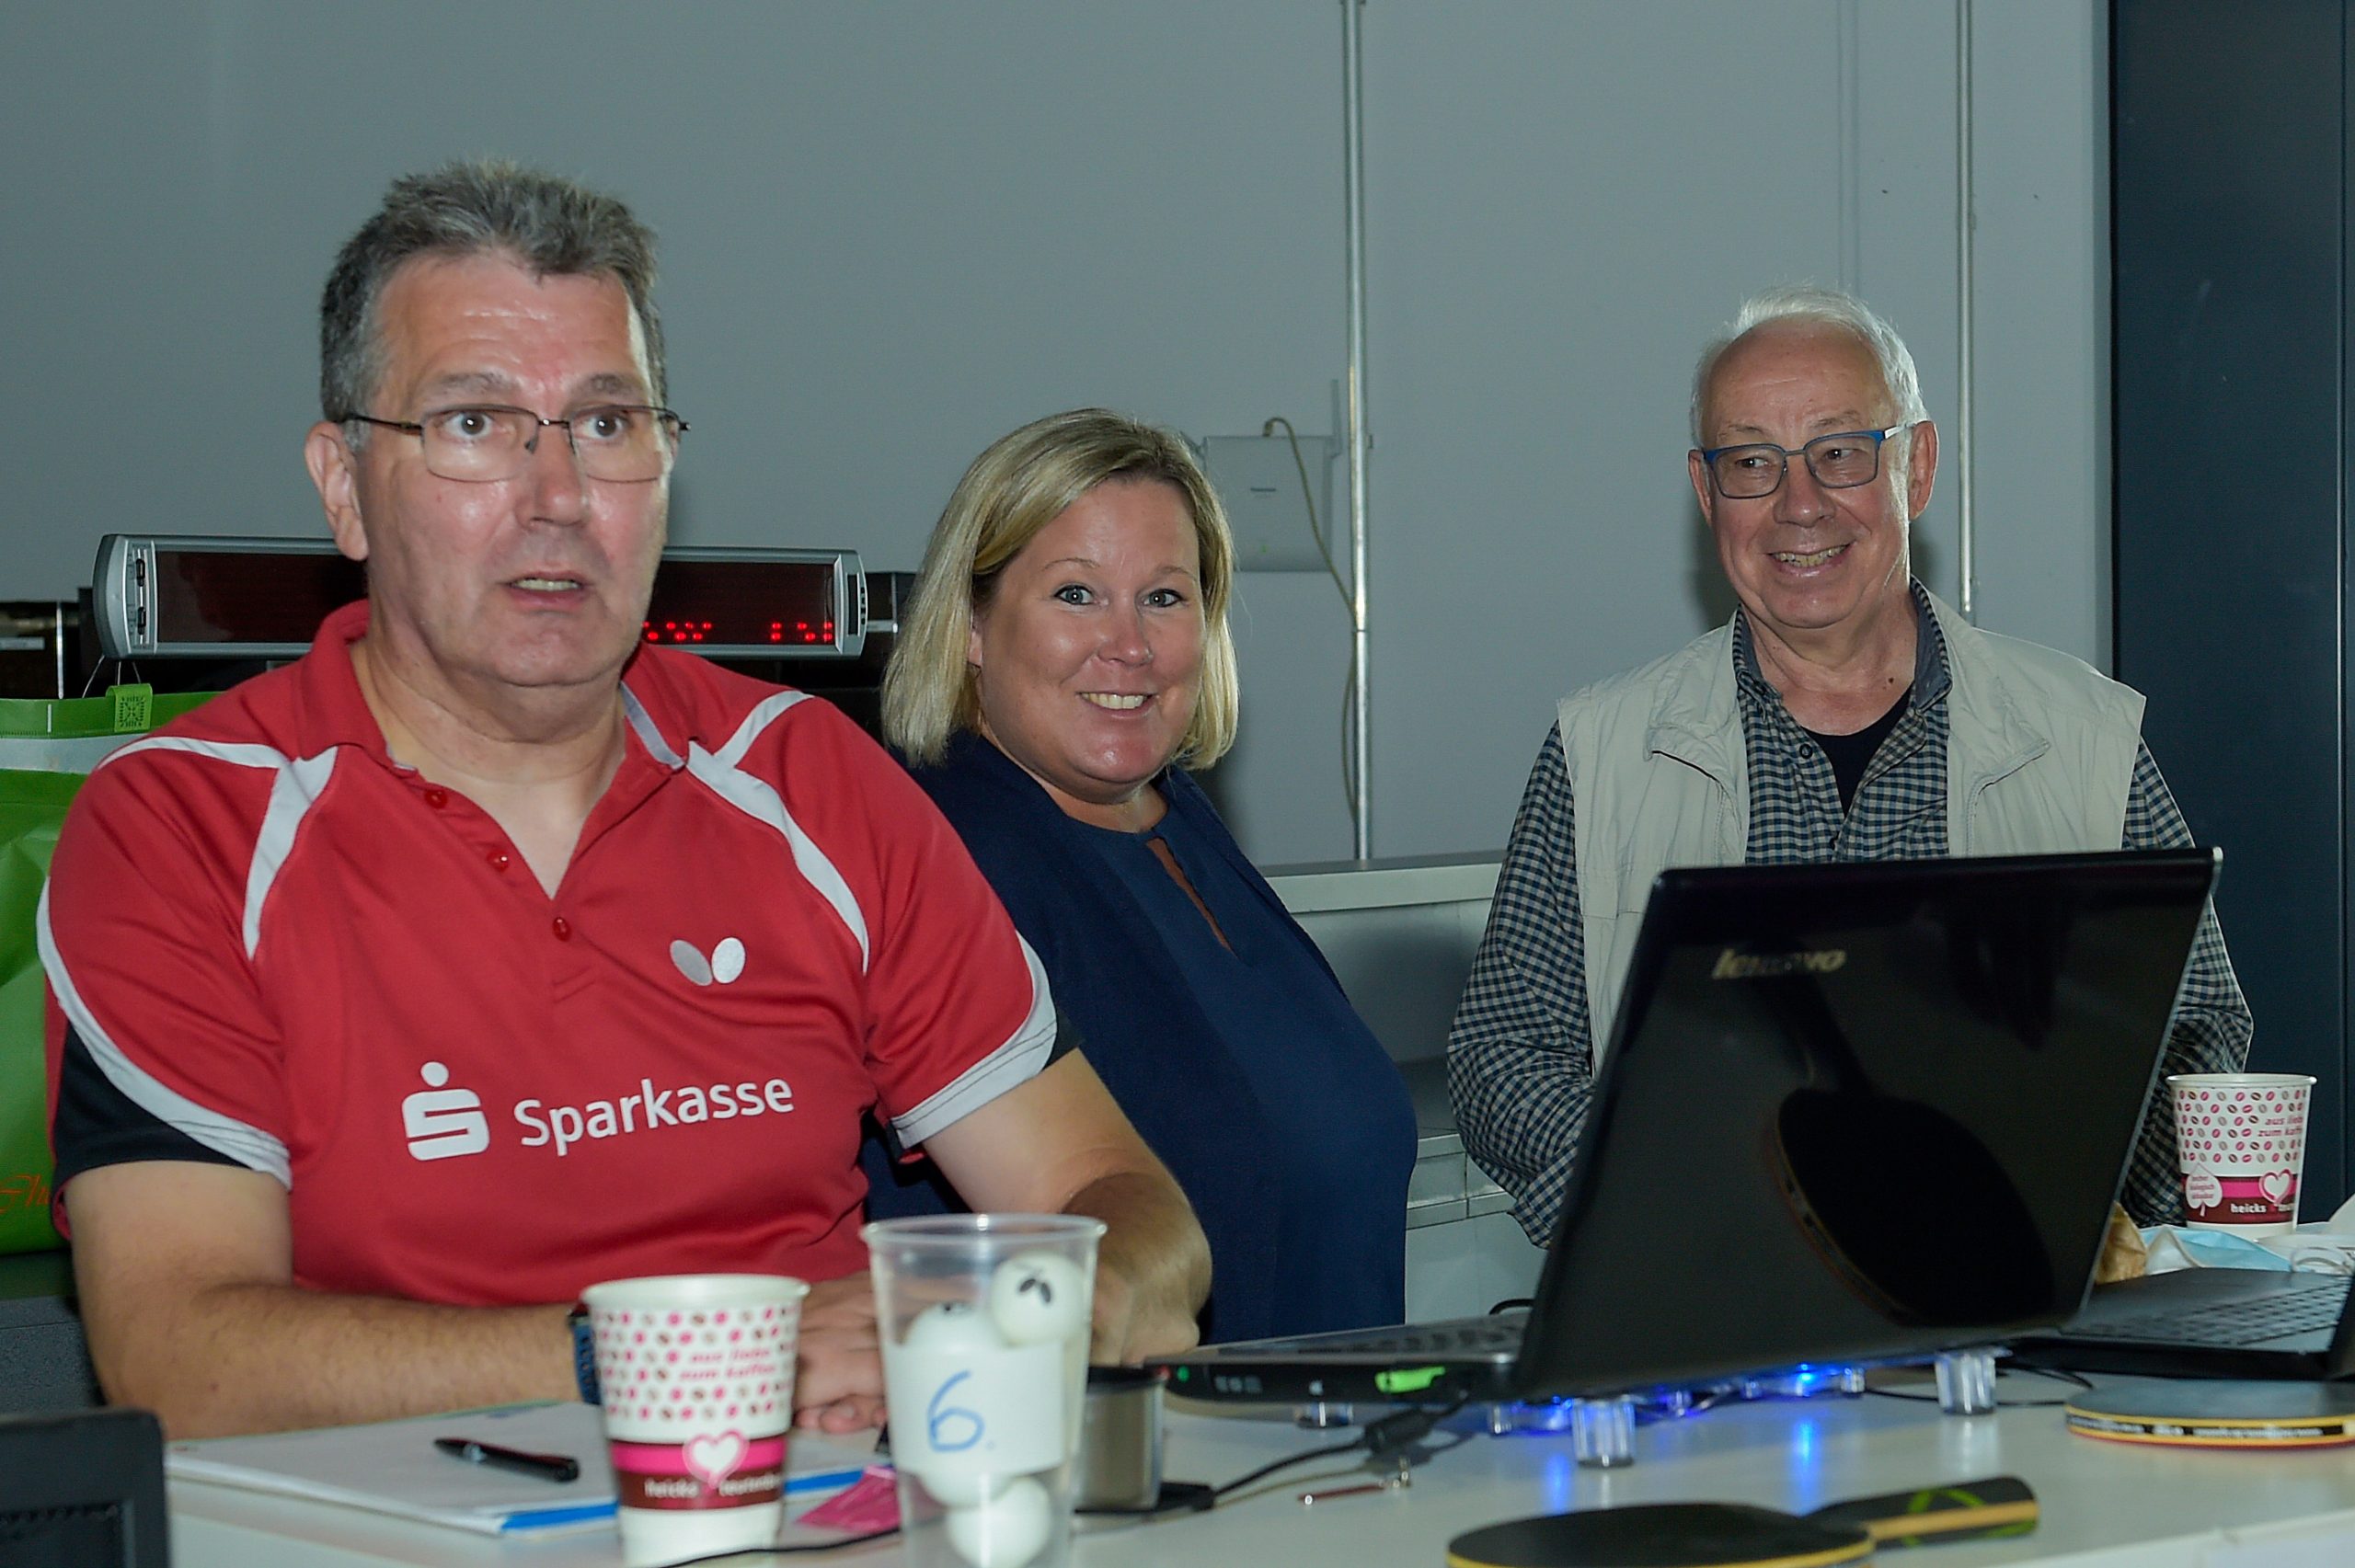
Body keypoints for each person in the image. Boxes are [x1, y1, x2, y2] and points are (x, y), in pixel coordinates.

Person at [40, 162, 1208, 1439]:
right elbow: (179, 1359)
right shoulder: (180, 829)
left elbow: (1126, 1208)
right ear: (343, 485)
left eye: (606, 425)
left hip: (827, 1506)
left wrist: (1045, 1311)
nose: (558, 498)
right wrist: (697, 1354)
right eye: (474, 424)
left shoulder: (806, 778)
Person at [1449, 285, 2252, 1245]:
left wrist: (2057, 1185)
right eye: (1752, 461)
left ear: (1917, 466)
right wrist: (1673, 1185)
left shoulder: (2084, 737)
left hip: (2005, 1289)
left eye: (1839, 453)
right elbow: (1502, 1054)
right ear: (1706, 493)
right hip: (1705, 1290)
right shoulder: (1601, 751)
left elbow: (2196, 1033)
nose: (1799, 504)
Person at [868, 409, 1416, 1341]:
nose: (1128, 645)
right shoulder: (935, 858)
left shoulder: (1175, 816)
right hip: (1129, 1425)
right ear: (971, 625)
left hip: (1333, 1413)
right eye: (1076, 594)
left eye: (1163, 597)